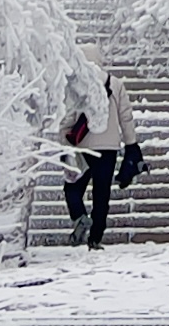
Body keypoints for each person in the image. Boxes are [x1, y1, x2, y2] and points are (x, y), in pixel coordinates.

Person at [59, 61, 139, 248]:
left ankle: (79, 216)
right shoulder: (115, 84)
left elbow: (68, 117)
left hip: (83, 147)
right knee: (101, 194)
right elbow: (126, 117)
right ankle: (95, 238)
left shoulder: (77, 86)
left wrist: (64, 143)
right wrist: (131, 143)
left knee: (72, 188)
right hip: (109, 147)